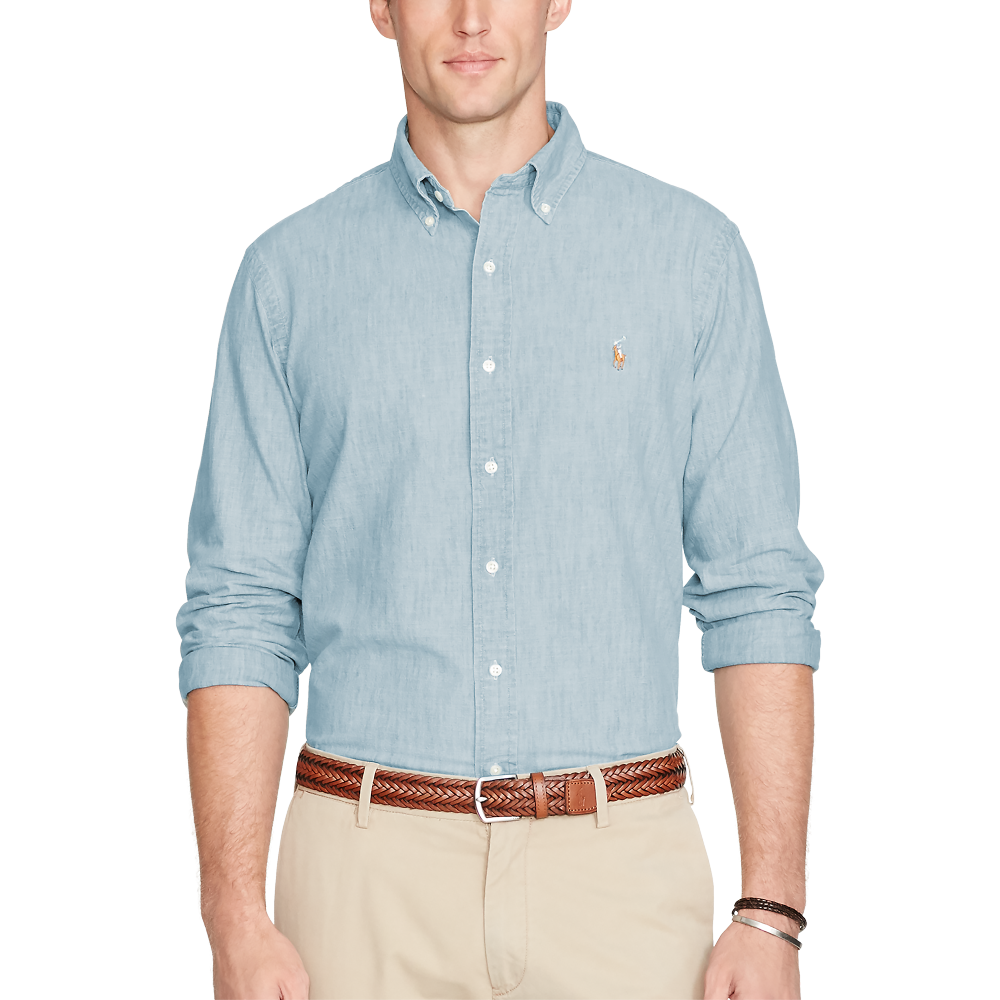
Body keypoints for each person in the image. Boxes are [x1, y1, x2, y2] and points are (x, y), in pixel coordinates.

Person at [177, 2, 823, 998]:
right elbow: (240, 608)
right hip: (360, 888)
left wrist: (771, 911)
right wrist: (232, 915)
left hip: (622, 883)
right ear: (382, 8)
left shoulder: (691, 260)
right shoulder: (288, 280)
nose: (472, 17)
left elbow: (758, 594)